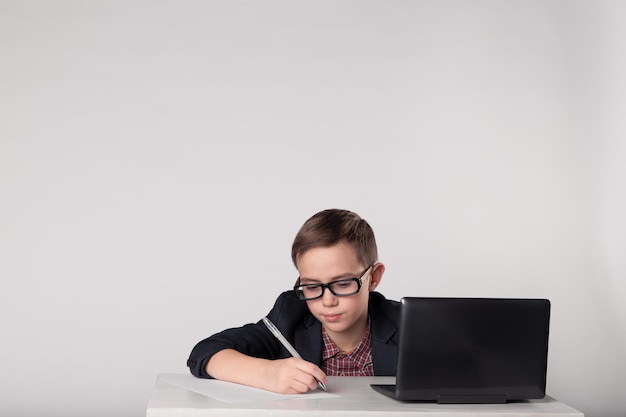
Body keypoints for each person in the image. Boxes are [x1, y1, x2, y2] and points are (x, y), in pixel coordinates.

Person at [187, 209, 400, 394]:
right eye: (312, 286)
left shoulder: (407, 326)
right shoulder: (289, 317)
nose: (328, 301)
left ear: (373, 277)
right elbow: (204, 352)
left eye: (343, 284)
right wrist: (266, 373)